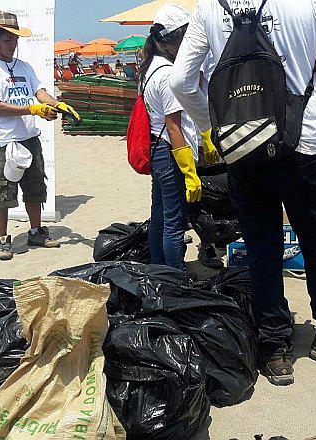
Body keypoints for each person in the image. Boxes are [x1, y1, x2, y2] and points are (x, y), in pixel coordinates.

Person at [170, 0, 316, 387]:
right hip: (307, 143)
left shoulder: (210, 7)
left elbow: (181, 82)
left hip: (245, 144)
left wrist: (213, 123)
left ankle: (274, 346)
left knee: (262, 247)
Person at [0, 11, 81, 260]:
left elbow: (39, 91)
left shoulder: (24, 67)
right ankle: (2, 240)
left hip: (29, 138)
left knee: (35, 188)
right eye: (7, 40)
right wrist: (32, 109)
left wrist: (57, 104)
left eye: (15, 40)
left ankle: (36, 231)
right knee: (1, 192)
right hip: (2, 142)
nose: (12, 45)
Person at [141, 4, 211, 272]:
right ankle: (175, 276)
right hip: (170, 152)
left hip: (157, 149)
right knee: (174, 222)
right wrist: (189, 170)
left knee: (159, 215)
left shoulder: (151, 67)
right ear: (174, 40)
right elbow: (174, 127)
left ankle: (159, 271)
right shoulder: (168, 74)